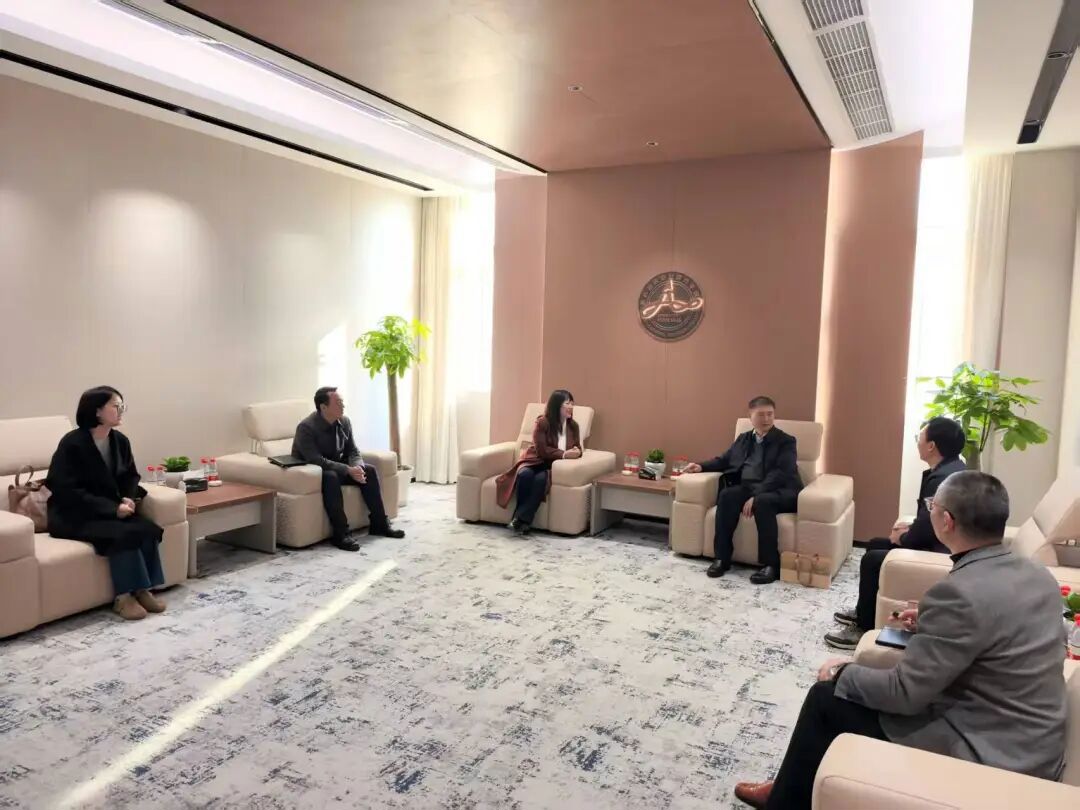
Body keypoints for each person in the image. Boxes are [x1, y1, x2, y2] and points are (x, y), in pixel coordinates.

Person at [733, 471, 1067, 810]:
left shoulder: (959, 593)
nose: (929, 511)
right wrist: (932, 621)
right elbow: (994, 630)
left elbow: (904, 694)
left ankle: (784, 801)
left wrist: (841, 671)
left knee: (826, 698)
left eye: (932, 506)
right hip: (1034, 747)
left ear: (946, 522)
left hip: (987, 750)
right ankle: (794, 787)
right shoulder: (1038, 575)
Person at [824, 416, 966, 649]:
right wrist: (908, 530)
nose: (918, 442)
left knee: (873, 559)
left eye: (920, 437)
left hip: (939, 552)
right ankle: (864, 611)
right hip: (939, 542)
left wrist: (904, 538)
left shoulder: (942, 480)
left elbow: (929, 528)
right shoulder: (950, 469)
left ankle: (863, 629)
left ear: (931, 446)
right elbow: (929, 519)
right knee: (875, 544)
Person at [45, 386, 166, 622]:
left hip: (110, 510)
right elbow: (64, 489)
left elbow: (130, 476)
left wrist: (128, 497)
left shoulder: (120, 441)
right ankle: (124, 597)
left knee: (148, 529)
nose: (121, 411)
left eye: (122, 406)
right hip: (73, 514)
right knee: (121, 534)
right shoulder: (72, 444)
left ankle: (143, 589)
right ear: (97, 411)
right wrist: (111, 509)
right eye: (115, 406)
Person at [682, 396, 801, 584]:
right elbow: (724, 460)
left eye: (770, 414)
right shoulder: (744, 439)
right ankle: (722, 558)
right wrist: (701, 466)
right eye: (761, 415)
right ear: (750, 416)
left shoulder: (786, 441)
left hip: (781, 490)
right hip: (749, 488)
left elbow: (780, 474)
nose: (766, 419)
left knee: (763, 502)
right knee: (727, 495)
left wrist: (757, 495)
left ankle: (771, 565)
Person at [292, 386, 404, 551]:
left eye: (342, 402)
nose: (343, 406)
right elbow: (315, 459)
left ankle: (380, 523)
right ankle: (341, 534)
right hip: (313, 473)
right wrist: (347, 470)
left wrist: (358, 467)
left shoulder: (344, 421)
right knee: (330, 477)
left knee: (369, 470)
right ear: (323, 407)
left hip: (337, 468)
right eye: (338, 403)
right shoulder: (306, 428)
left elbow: (352, 450)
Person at [495, 389, 582, 535]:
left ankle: (519, 519)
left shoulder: (574, 426)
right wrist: (564, 454)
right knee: (524, 475)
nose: (571, 407)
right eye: (567, 403)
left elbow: (577, 447)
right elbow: (542, 450)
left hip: (551, 466)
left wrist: (577, 452)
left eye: (572, 403)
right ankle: (523, 521)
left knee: (541, 480)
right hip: (534, 460)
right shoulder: (542, 422)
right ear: (556, 405)